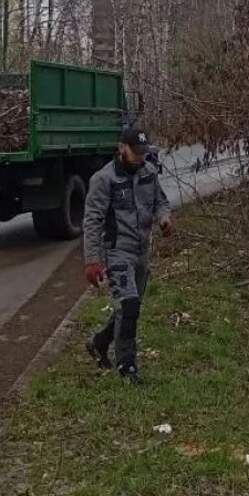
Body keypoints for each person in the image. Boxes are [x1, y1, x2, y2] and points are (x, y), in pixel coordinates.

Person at [84, 126, 173, 382]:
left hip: (142, 250)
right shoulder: (104, 179)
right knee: (128, 304)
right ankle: (127, 366)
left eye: (143, 152)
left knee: (130, 307)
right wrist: (92, 260)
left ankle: (100, 342)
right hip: (117, 250)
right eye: (136, 153)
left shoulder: (148, 172)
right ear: (122, 149)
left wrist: (164, 218)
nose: (140, 158)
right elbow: (92, 220)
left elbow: (160, 201)